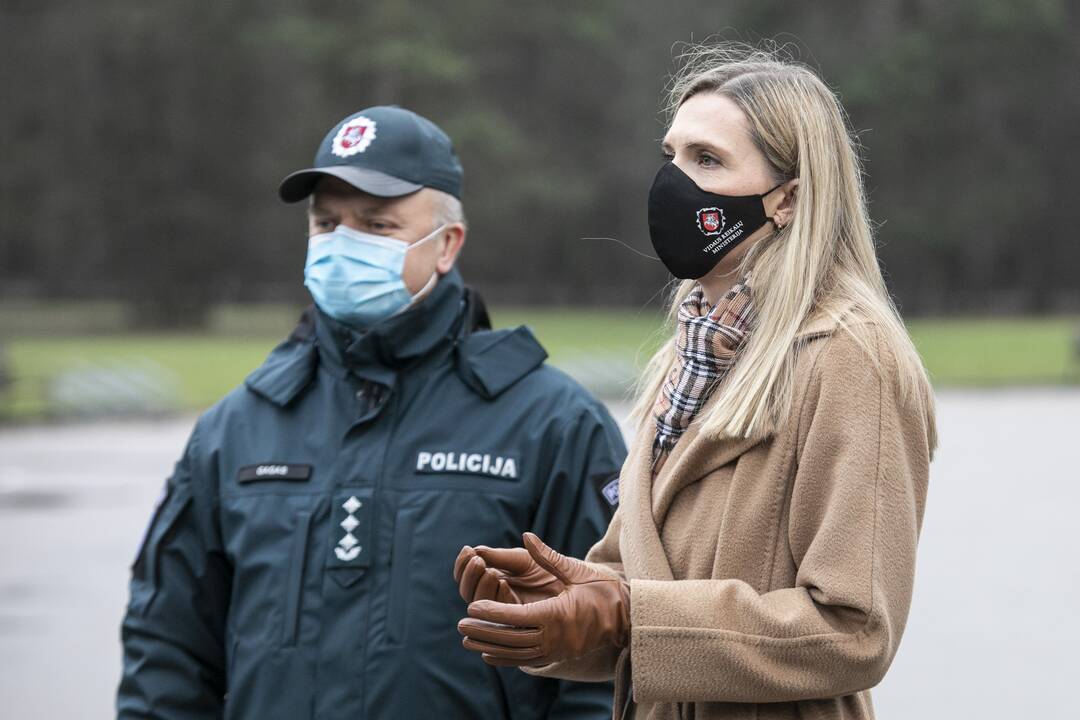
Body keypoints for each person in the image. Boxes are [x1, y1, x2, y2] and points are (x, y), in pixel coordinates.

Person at [454, 44, 937, 720]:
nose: (673, 183)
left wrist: (627, 613)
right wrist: (564, 607)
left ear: (789, 199)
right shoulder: (691, 354)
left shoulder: (851, 358)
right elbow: (645, 603)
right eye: (671, 156)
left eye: (707, 160)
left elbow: (855, 632)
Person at [117, 105, 627, 719]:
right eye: (326, 223)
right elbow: (167, 650)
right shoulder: (236, 428)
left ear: (446, 245)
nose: (343, 244)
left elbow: (605, 662)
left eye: (377, 225)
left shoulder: (552, 423)